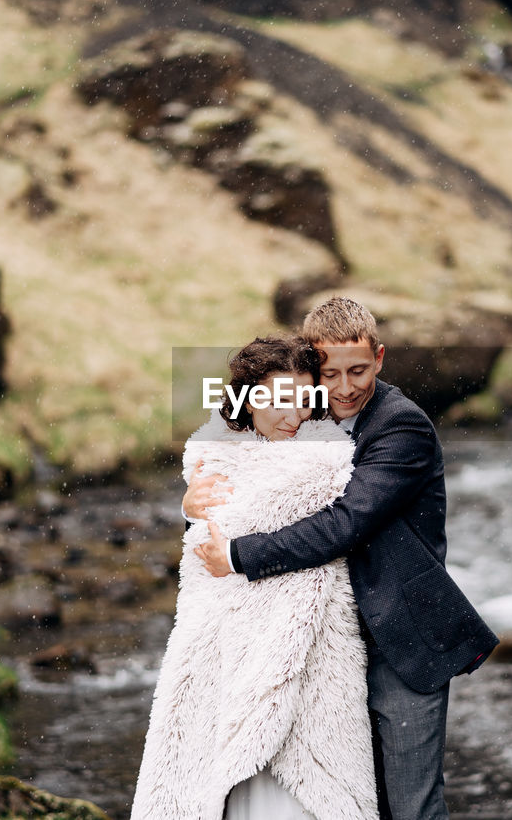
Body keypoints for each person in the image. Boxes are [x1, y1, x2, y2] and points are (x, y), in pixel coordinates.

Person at [190, 297, 499, 820]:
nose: (345, 387)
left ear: (379, 357)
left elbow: (347, 523)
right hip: (331, 647)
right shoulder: (307, 415)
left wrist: (239, 555)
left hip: (401, 642)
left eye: (358, 370)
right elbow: (248, 453)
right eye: (329, 373)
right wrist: (195, 494)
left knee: (412, 809)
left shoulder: (403, 429)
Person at [131, 336, 377, 820]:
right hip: (224, 653)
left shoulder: (322, 458)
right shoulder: (218, 455)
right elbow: (207, 545)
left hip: (300, 657)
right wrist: (188, 506)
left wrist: (226, 536)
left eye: (305, 400)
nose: (294, 415)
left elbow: (305, 534)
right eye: (280, 400)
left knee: (288, 786)